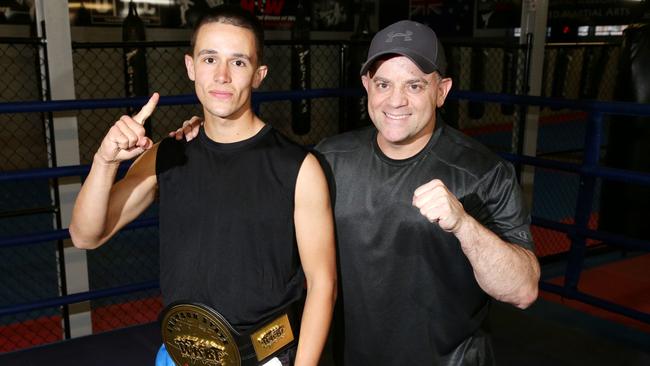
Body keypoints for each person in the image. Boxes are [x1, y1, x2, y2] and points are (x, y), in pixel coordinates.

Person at [174, 19, 540, 366]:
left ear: (441, 91)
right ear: (367, 85)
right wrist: (205, 133)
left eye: (414, 85)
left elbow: (522, 291)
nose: (395, 101)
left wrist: (463, 225)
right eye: (383, 84)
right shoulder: (330, 159)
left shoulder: (484, 172)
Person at [69, 5, 336, 366]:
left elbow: (322, 285)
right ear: (191, 66)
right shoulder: (168, 154)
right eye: (210, 59)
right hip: (179, 355)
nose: (222, 76)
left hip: (266, 356)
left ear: (259, 75)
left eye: (238, 62)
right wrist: (105, 161)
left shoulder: (299, 168)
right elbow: (86, 235)